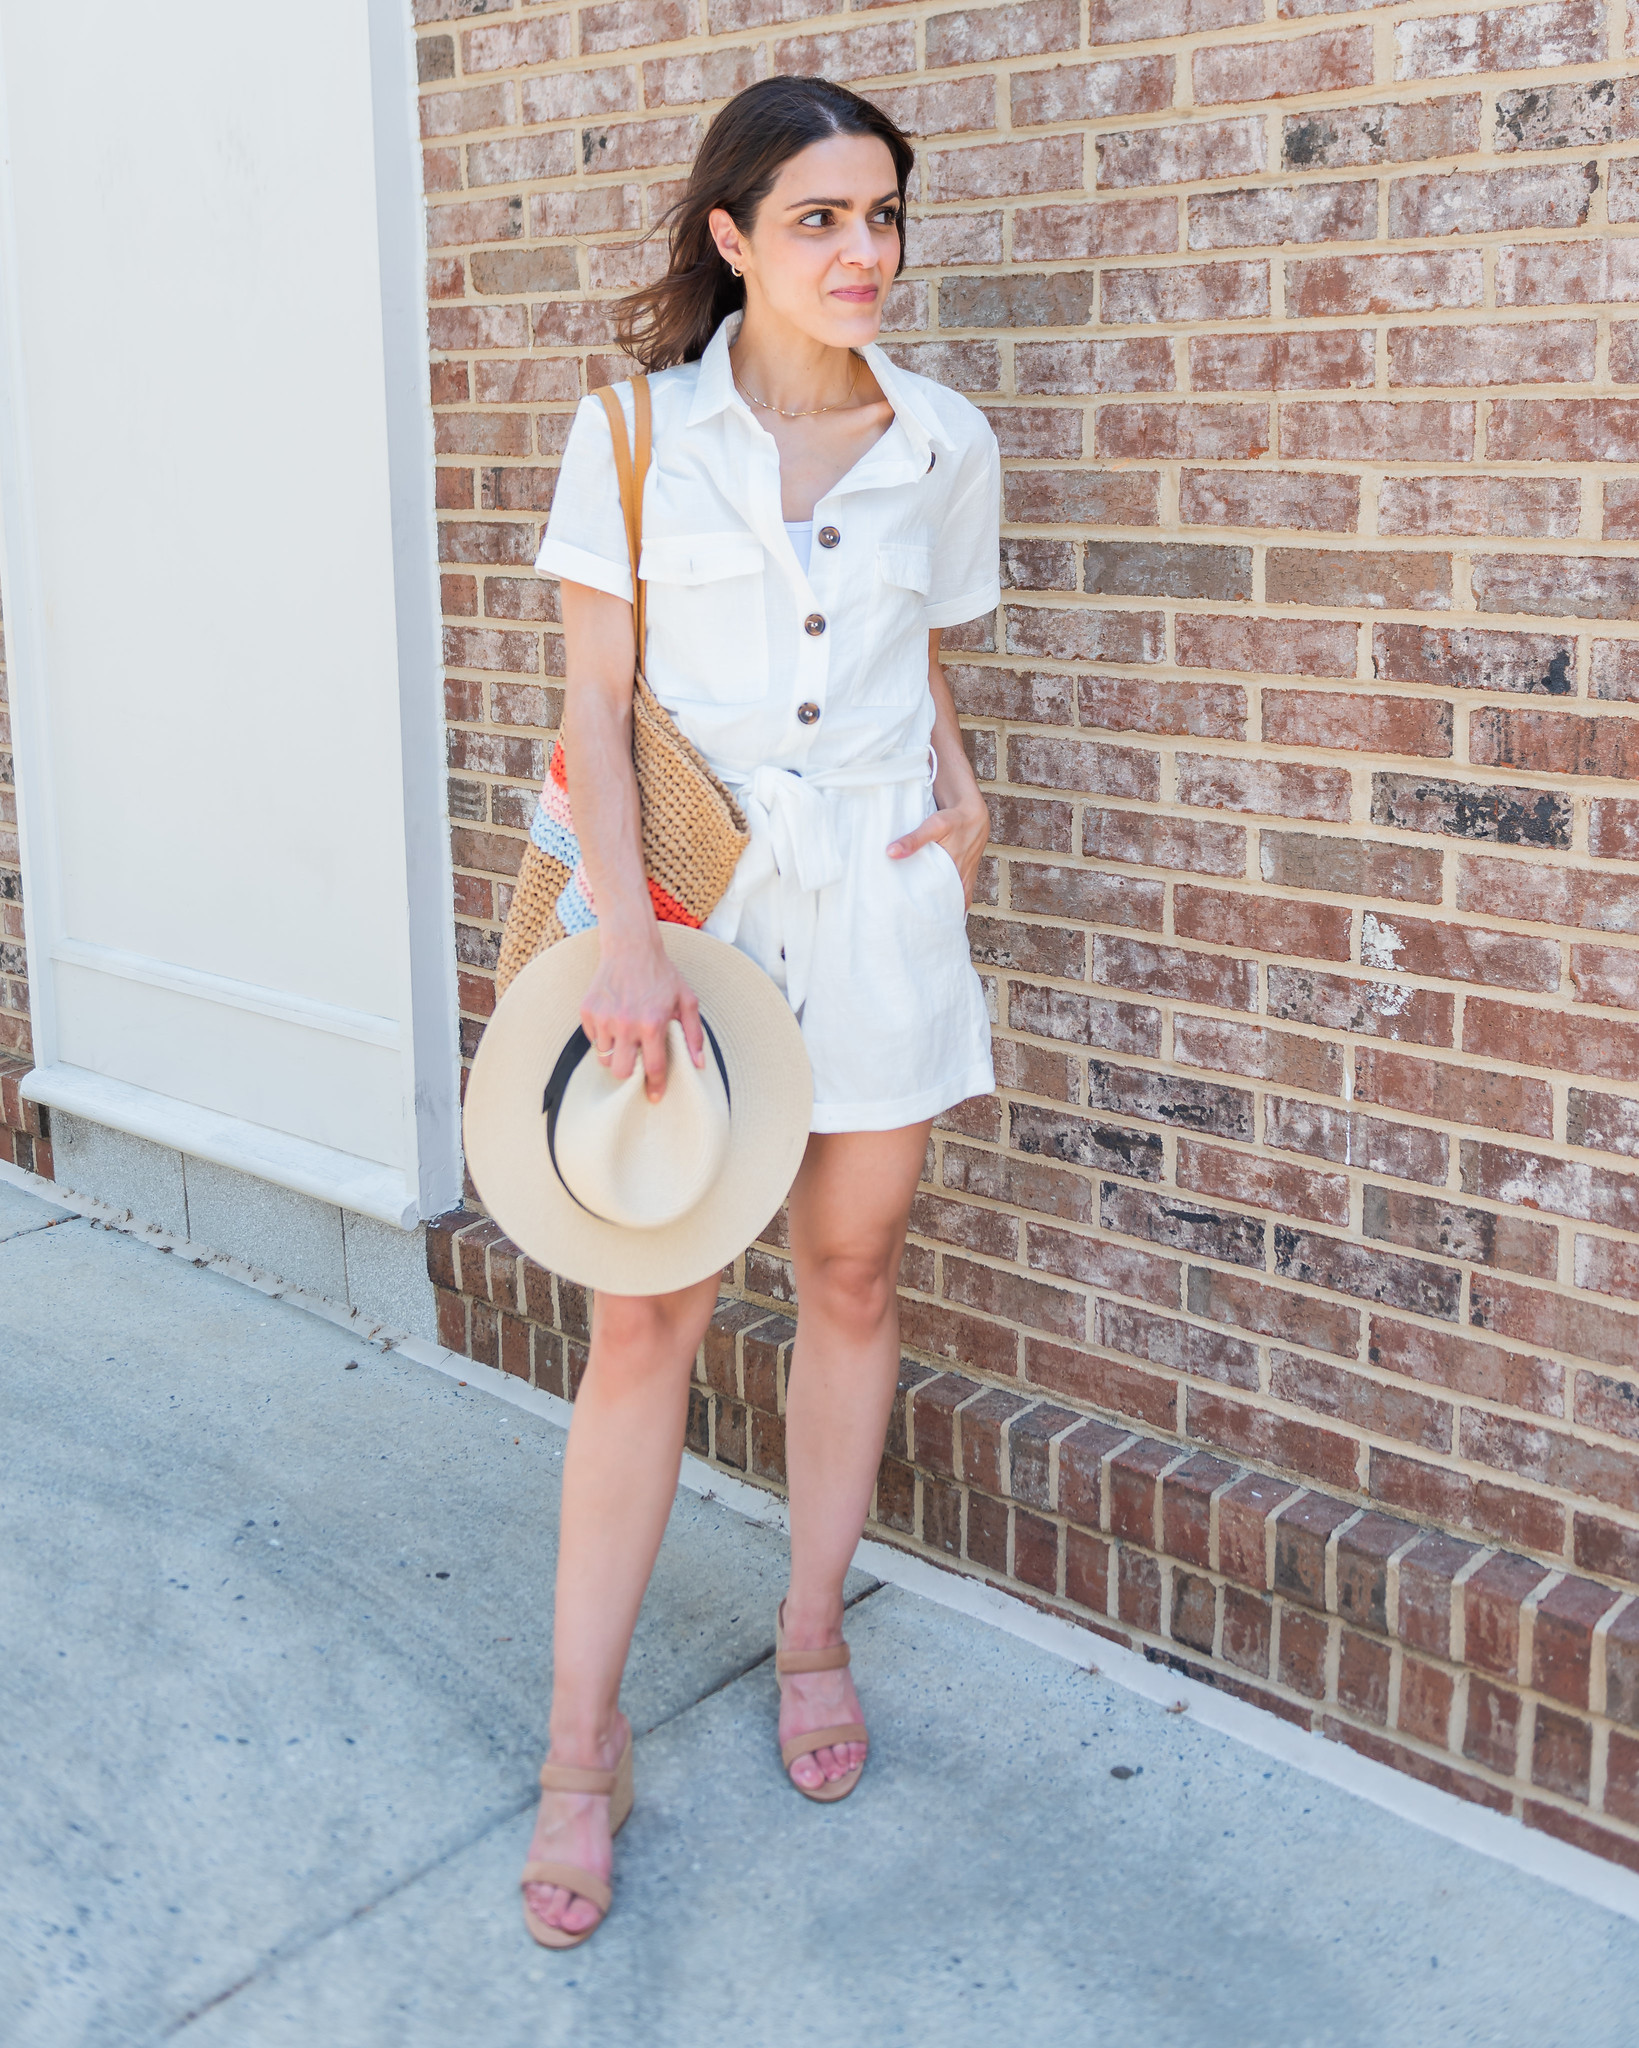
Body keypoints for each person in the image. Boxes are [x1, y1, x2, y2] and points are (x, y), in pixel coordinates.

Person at [521, 73, 1001, 1945]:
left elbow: (921, 654)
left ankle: (813, 1634)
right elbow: (594, 700)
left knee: (853, 1276)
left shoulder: (942, 442)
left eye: (882, 216)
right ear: (733, 238)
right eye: (820, 218)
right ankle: (583, 1740)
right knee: (646, 1313)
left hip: (880, 900)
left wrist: (966, 791)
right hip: (696, 920)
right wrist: (627, 941)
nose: (863, 251)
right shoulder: (636, 434)